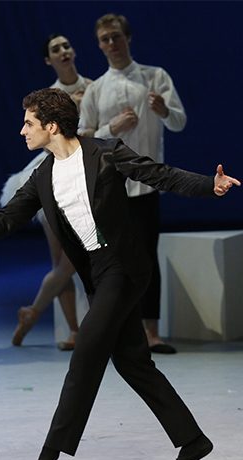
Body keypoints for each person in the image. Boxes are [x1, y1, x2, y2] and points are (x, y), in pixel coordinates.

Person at [0, 88, 240, 460]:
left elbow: (160, 174)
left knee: (85, 356)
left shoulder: (105, 153)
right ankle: (192, 440)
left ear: (51, 126)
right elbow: (3, 223)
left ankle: (49, 456)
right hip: (98, 274)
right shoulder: (43, 175)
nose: (22, 131)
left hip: (125, 266)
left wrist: (210, 184)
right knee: (133, 363)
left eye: (29, 123)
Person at [80, 14, 186, 354]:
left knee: (145, 259)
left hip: (145, 186)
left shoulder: (155, 77)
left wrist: (164, 110)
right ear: (99, 45)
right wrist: (112, 127)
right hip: (109, 188)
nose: (112, 44)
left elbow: (180, 122)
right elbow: (83, 137)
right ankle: (112, 331)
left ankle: (151, 332)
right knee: (109, 262)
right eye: (105, 39)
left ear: (127, 38)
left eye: (116, 37)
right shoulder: (96, 88)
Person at [1, 33, 93, 350]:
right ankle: (75, 331)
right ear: (48, 60)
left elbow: (99, 133)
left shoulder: (94, 87)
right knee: (62, 263)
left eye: (66, 46)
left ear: (74, 50)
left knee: (68, 263)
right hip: (56, 176)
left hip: (83, 175)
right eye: (56, 50)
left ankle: (33, 311)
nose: (63, 52)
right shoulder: (49, 98)